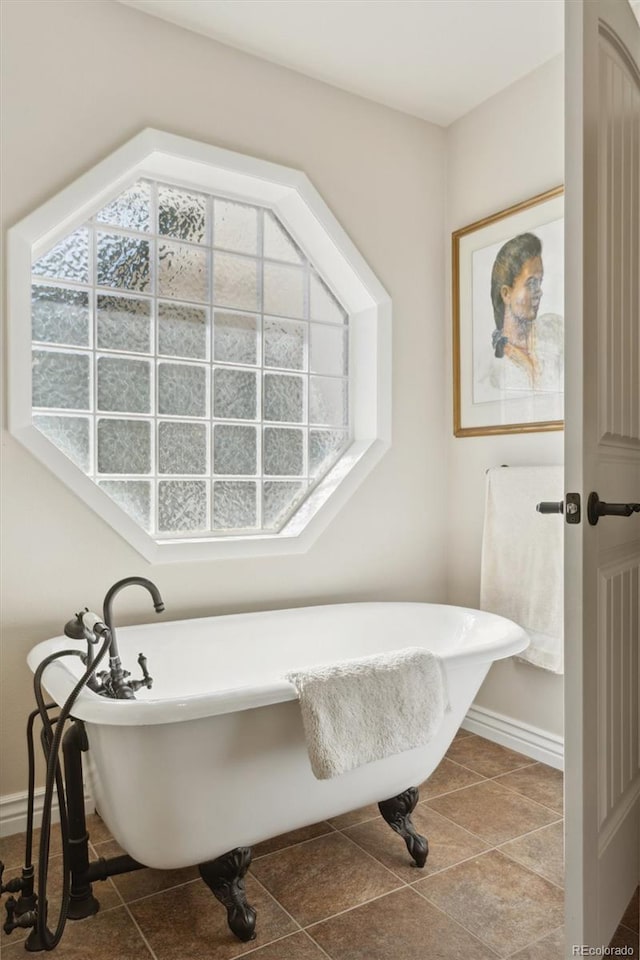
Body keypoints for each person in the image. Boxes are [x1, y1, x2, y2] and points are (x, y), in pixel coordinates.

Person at [486, 232, 562, 395]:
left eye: (539, 282)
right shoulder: (493, 367)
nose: (539, 292)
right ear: (506, 294)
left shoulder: (555, 331)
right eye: (531, 283)